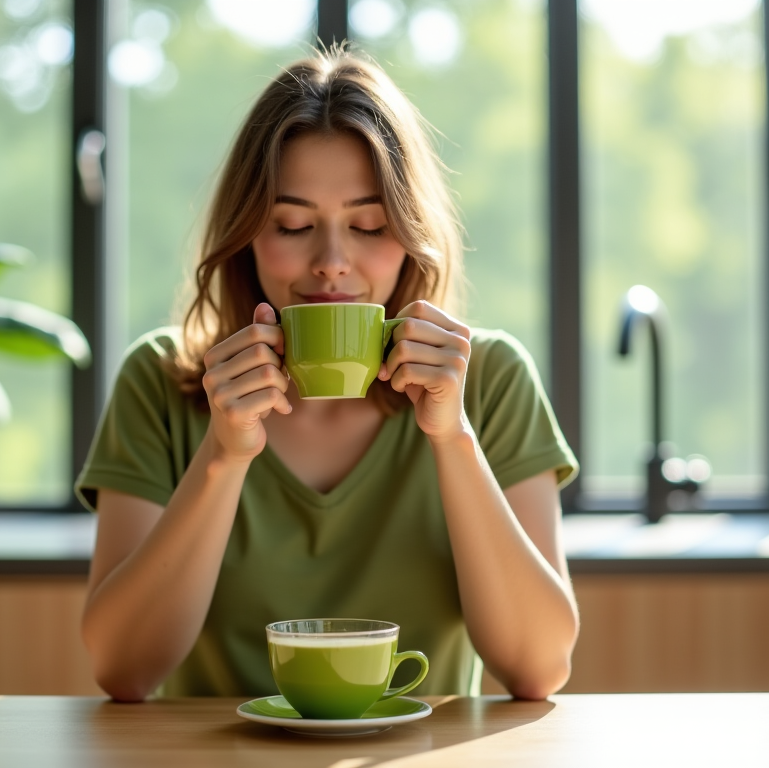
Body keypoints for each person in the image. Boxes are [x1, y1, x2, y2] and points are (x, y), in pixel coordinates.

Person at [77, 46, 579, 703]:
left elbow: (538, 669)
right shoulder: (163, 379)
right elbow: (123, 669)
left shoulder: (489, 380)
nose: (332, 262)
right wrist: (223, 458)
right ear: (248, 234)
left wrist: (453, 437)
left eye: (369, 225)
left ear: (409, 233)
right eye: (293, 225)